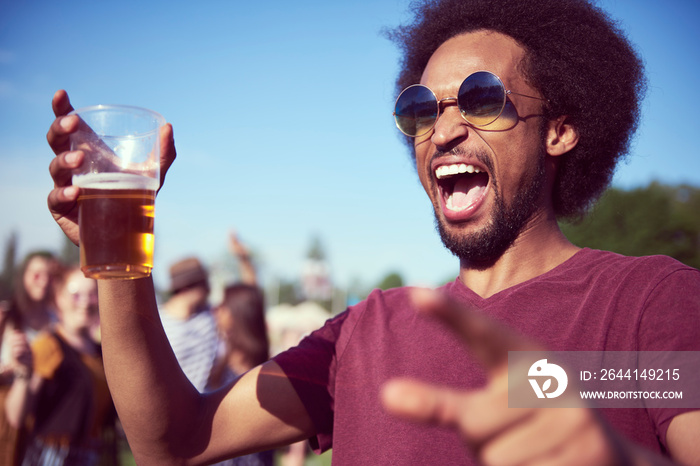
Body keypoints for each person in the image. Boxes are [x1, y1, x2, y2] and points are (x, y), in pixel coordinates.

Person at [45, 0, 700, 465]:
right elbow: (174, 441)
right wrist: (117, 253)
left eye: (481, 98)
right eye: (420, 110)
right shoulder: (362, 331)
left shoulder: (649, 304)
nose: (442, 131)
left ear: (558, 129)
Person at [4, 263, 116, 465]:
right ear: (59, 298)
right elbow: (17, 416)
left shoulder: (102, 353)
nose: (85, 302)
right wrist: (23, 373)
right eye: (75, 294)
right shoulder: (49, 346)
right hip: (52, 457)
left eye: (92, 294)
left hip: (90, 456)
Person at [0, 251, 57, 466]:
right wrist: (10, 370)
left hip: (43, 416)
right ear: (23, 276)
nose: (43, 281)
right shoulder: (7, 316)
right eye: (36, 275)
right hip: (5, 414)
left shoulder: (58, 320)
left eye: (49, 276)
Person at [208, 284, 274, 466]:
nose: (217, 311)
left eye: (223, 306)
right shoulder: (221, 358)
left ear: (238, 312)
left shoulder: (260, 370)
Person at [160, 257, 220, 393]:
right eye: (204, 283)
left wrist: (244, 259)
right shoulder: (157, 322)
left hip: (205, 406)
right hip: (172, 406)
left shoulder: (210, 314)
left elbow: (249, 302)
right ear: (186, 287)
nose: (209, 288)